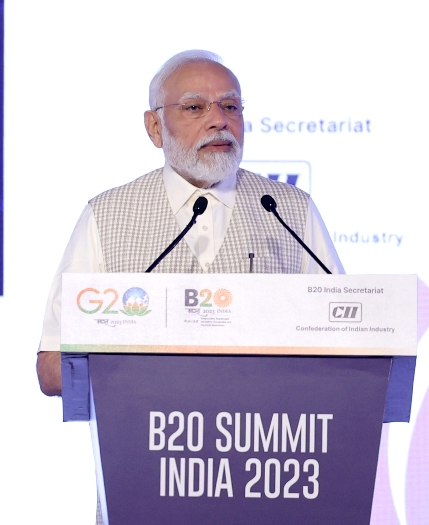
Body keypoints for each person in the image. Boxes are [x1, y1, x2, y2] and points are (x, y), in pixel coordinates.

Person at [36, 49, 343, 395]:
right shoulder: (105, 215)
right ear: (155, 128)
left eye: (230, 107)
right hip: (146, 425)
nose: (219, 121)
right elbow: (53, 369)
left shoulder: (290, 210)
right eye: (195, 107)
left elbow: (348, 345)